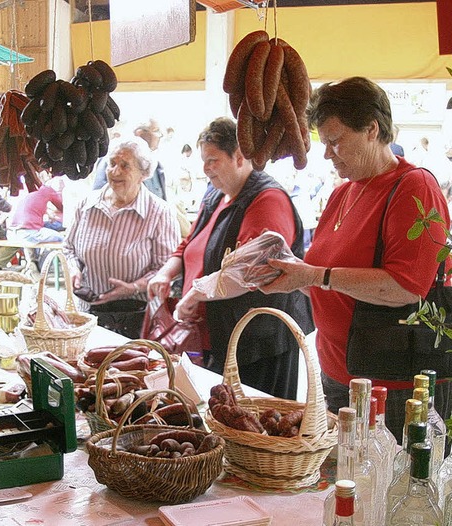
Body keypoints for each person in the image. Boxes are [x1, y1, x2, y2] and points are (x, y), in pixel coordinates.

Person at [260, 76, 452, 441]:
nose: (327, 153)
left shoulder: (414, 186)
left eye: (335, 141)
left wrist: (314, 275)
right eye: (324, 142)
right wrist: (294, 277)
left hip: (393, 387)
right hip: (336, 373)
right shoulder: (342, 192)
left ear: (371, 130)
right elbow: (331, 280)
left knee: (385, 488)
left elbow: (405, 288)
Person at [147, 117, 313, 400]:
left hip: (258, 342)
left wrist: (195, 295)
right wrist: (166, 272)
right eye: (203, 159)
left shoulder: (267, 199)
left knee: (255, 421)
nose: (205, 168)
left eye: (213, 159)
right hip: (219, 335)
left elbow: (251, 271)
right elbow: (190, 243)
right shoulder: (217, 193)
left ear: (239, 156)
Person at [64, 138, 180, 339]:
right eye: (112, 163)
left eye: (125, 165)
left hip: (137, 320)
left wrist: (133, 288)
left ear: (143, 174)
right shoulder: (86, 205)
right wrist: (73, 269)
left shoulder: (159, 213)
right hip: (88, 317)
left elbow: (168, 269)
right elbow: (68, 248)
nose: (115, 171)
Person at [8, 176, 65, 277]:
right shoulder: (48, 190)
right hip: (28, 233)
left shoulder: (30, 190)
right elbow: (61, 206)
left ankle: (33, 263)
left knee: (41, 233)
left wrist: (48, 211)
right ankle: (41, 267)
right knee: (60, 238)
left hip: (13, 232)